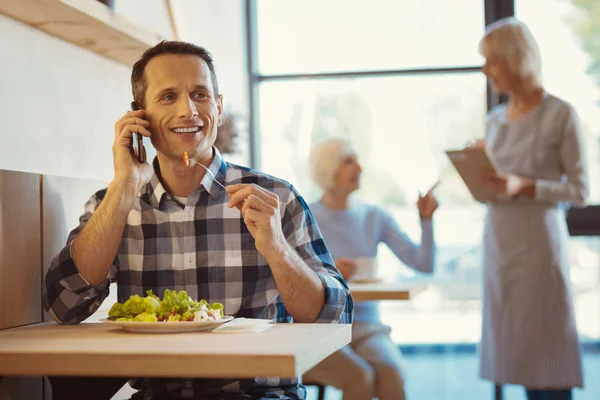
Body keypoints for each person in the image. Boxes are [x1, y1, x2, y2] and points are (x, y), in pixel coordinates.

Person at [43, 40, 353, 400]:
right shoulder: (113, 203)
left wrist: (277, 250)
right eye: (168, 97)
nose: (188, 110)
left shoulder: (277, 198)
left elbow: (335, 319)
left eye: (200, 95)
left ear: (218, 109)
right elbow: (63, 306)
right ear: (138, 116)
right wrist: (125, 185)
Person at [477, 18, 588, 400]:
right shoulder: (493, 121)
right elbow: (491, 190)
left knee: (547, 359)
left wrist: (525, 186)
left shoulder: (561, 114)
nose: (486, 70)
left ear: (514, 59)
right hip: (500, 247)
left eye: (492, 61)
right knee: (514, 355)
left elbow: (580, 190)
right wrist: (478, 174)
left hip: (539, 251)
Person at [302, 138, 438, 400]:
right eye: (348, 161)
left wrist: (426, 220)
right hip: (321, 328)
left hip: (367, 326)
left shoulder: (375, 216)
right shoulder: (306, 216)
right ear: (328, 169)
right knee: (361, 379)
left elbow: (424, 264)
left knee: (392, 373)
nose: (359, 168)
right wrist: (329, 273)